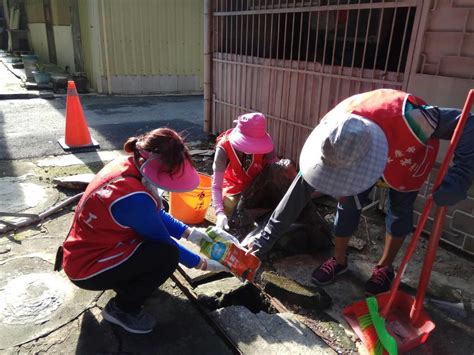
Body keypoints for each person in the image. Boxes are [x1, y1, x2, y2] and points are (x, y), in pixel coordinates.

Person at [244, 89, 474, 295]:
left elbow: (468, 123)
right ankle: (339, 259)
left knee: (400, 211)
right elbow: (296, 195)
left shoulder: (411, 117)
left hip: (405, 153)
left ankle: (385, 267)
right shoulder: (331, 134)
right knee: (347, 206)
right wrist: (264, 241)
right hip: (363, 150)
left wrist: (461, 174)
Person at [59, 128, 234, 334]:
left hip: (86, 249)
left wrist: (191, 233)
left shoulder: (127, 164)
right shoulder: (131, 197)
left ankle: (127, 285)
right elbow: (166, 244)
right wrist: (204, 264)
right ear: (148, 163)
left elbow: (154, 213)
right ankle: (122, 308)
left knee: (160, 229)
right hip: (87, 268)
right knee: (165, 255)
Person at [212, 112, 278, 230]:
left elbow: (277, 168)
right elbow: (217, 185)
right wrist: (219, 213)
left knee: (274, 206)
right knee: (230, 205)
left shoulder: (265, 144)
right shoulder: (223, 147)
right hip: (233, 184)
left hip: (257, 184)